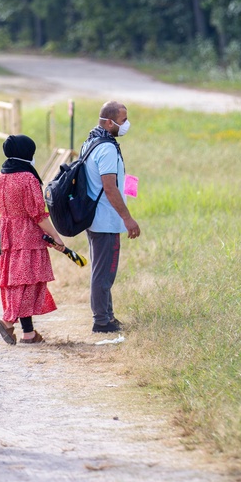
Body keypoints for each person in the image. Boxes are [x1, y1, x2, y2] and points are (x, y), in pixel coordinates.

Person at [0, 134, 64, 345]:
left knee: (16, 282)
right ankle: (8, 320)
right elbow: (38, 214)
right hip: (27, 234)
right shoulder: (28, 178)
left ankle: (28, 333)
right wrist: (56, 237)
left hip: (6, 233)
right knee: (28, 282)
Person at [81, 101, 140, 333]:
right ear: (108, 122)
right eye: (123, 120)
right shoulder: (105, 148)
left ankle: (107, 316)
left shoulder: (91, 141)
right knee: (104, 272)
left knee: (102, 270)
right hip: (105, 219)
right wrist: (127, 218)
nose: (126, 125)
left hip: (97, 218)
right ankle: (102, 321)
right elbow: (109, 186)